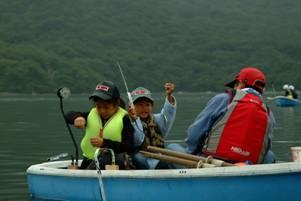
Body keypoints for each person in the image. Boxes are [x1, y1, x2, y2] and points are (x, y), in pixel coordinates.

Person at [173, 67, 276, 165]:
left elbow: (194, 134)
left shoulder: (224, 99)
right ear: (262, 90)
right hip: (246, 166)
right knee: (270, 156)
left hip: (211, 163)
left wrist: (191, 153)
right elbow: (265, 148)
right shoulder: (268, 113)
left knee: (172, 147)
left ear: (240, 84)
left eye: (235, 84)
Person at [65, 80, 135, 169]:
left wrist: (104, 143)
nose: (102, 111)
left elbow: (129, 147)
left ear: (116, 104)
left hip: (113, 163)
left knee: (106, 157)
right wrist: (78, 118)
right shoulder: (92, 114)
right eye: (98, 106)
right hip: (89, 160)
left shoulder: (125, 119)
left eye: (106, 107)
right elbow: (68, 115)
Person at [128, 83, 177, 169]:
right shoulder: (128, 122)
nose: (144, 108)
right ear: (132, 107)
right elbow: (137, 140)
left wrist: (169, 96)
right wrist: (135, 120)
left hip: (159, 156)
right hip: (141, 158)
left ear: (152, 106)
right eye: (139, 105)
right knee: (137, 157)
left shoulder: (157, 119)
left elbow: (168, 113)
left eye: (147, 105)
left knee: (174, 147)